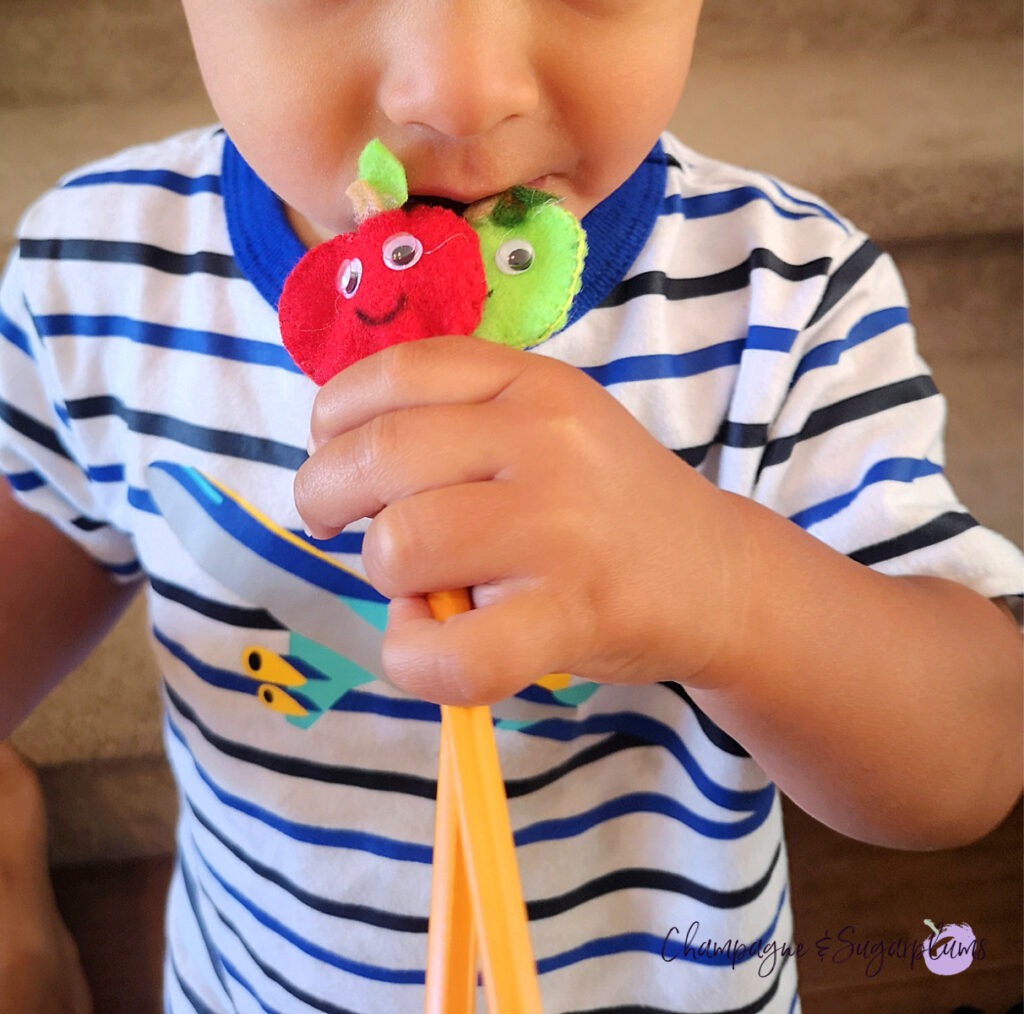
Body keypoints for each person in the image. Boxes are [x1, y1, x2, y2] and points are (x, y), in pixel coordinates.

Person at [1, 1, 1021, 1011]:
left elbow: (969, 763)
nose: (459, 89)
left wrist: (726, 587)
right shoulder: (94, 274)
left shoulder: (787, 296)